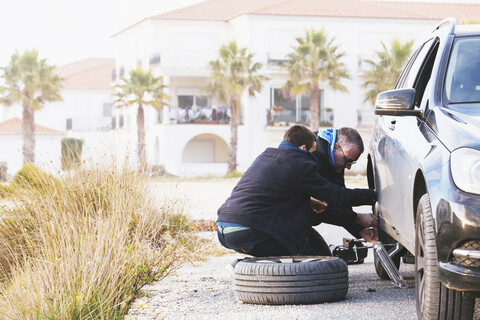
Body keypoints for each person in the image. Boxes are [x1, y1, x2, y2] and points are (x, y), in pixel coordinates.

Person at [216, 125, 377, 257]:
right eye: (312, 153)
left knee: (322, 256)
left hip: (224, 225)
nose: (312, 157)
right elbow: (338, 196)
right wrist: (374, 195)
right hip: (250, 230)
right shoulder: (301, 163)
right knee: (317, 264)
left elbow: (277, 193)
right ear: (302, 148)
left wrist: (310, 201)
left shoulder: (266, 155)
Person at [310, 127, 377, 244]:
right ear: (336, 146)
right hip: (281, 219)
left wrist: (360, 230)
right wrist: (358, 216)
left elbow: (340, 199)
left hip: (296, 219)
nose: (348, 166)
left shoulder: (334, 157)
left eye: (352, 162)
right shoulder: (313, 159)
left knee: (323, 254)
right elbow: (324, 206)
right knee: (316, 258)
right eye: (347, 160)